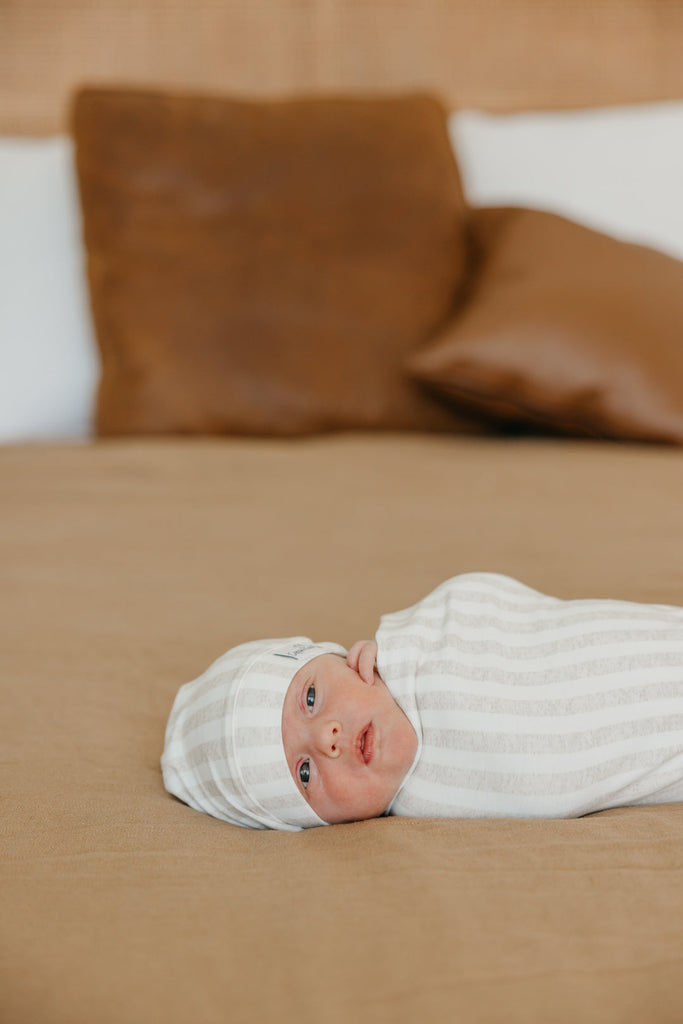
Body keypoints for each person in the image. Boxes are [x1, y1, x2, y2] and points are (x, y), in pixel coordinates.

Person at [161, 572, 683, 830]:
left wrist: (402, 650)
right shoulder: (423, 807)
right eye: (302, 773)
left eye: (311, 697)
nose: (327, 738)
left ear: (343, 658)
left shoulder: (423, 641)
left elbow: (490, 600)